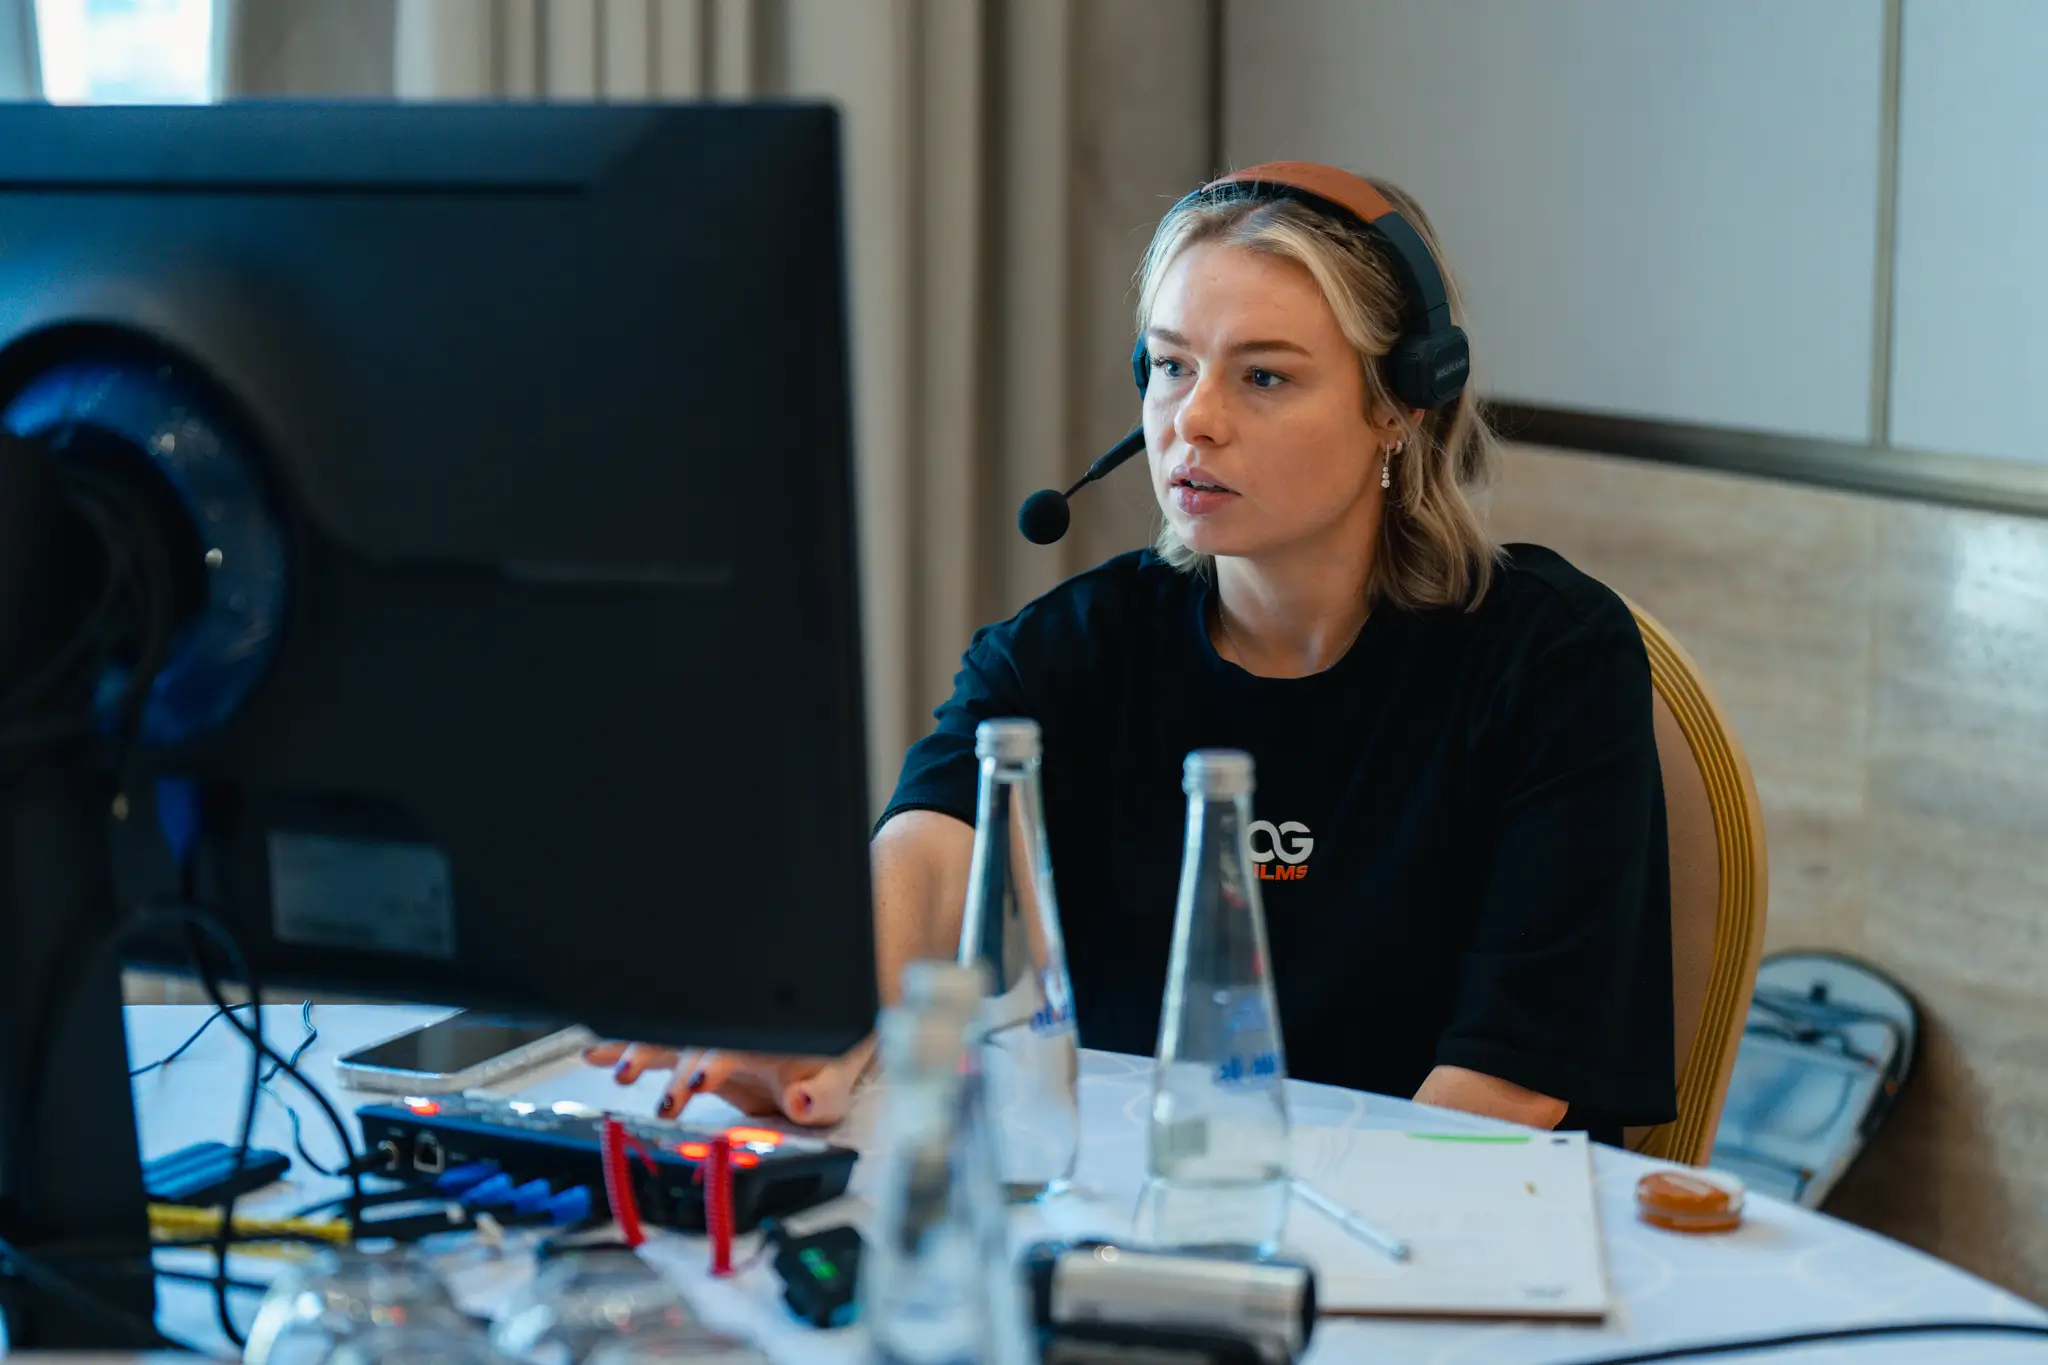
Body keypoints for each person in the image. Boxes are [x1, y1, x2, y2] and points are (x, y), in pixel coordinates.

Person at [586, 163, 1676, 1144]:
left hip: (1430, 1251)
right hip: (1133, 1216)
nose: (1190, 422)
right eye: (1167, 366)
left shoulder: (1548, 657)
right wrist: (806, 1016)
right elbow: (919, 864)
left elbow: (1504, 1089)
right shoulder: (1069, 652)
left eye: (1262, 377)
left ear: (1399, 402)